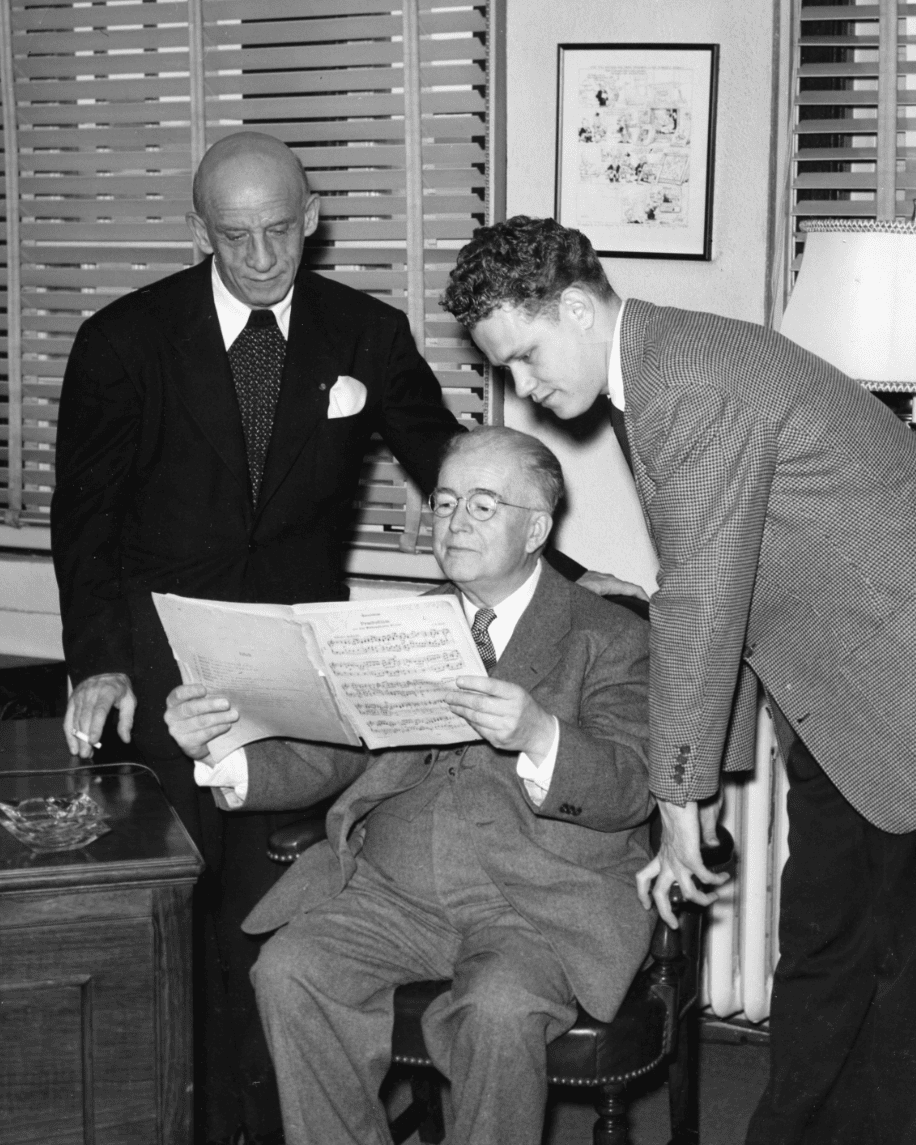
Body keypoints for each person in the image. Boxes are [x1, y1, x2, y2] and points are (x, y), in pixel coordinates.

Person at [440, 216, 916, 1145]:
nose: (526, 394)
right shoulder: (651, 369)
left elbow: (705, 594)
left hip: (891, 684)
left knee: (880, 963)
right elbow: (721, 584)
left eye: (529, 360)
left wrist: (679, 799)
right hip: (839, 687)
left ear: (577, 307)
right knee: (833, 945)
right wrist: (704, 785)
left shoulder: (683, 379)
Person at [51, 131, 464, 1145]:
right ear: (200, 230)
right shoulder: (122, 341)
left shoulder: (364, 333)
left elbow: (455, 461)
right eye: (236, 238)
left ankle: (276, 1124)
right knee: (174, 919)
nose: (264, 255)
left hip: (294, 669)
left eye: (281, 229)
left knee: (278, 914)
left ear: (314, 214)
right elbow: (86, 520)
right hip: (163, 668)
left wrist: (543, 565)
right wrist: (101, 659)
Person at [164, 426, 653, 1145]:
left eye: (482, 506)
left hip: (531, 903)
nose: (453, 521)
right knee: (290, 969)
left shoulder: (608, 635)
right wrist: (223, 748)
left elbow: (633, 784)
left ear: (536, 529)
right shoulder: (402, 622)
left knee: (499, 1009)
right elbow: (335, 746)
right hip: (393, 893)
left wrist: (541, 734)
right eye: (446, 501)